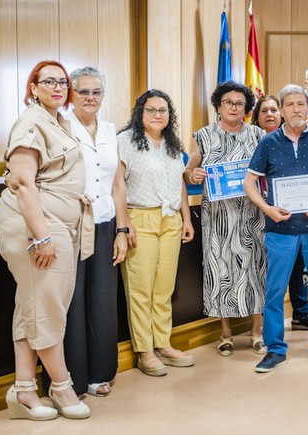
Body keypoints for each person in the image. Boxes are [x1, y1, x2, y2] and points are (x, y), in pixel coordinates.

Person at [0, 60, 91, 421]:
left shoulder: (58, 122)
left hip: (56, 222)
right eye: (48, 81)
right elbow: (22, 182)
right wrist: (42, 236)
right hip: (37, 224)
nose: (57, 87)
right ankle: (61, 387)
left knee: (33, 307)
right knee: (48, 308)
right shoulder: (31, 122)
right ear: (32, 86)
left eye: (63, 81)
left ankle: (23, 391)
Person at [242, 85, 308, 373]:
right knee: (274, 292)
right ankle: (275, 349)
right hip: (280, 230)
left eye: (302, 104)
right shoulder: (268, 143)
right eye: (290, 104)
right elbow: (249, 183)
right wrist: (269, 209)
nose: (297, 109)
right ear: (283, 109)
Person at [61, 67, 129, 399]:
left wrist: (122, 228)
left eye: (97, 92)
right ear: (72, 94)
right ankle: (71, 379)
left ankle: (100, 373)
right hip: (71, 226)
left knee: (102, 301)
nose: (91, 97)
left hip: (104, 225)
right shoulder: (60, 127)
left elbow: (117, 183)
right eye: (84, 91)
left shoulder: (109, 130)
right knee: (72, 303)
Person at [185, 81, 266, 358]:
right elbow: (189, 171)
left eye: (240, 103)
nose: (234, 107)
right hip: (218, 218)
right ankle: (226, 334)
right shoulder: (204, 136)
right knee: (220, 272)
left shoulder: (257, 134)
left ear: (246, 108)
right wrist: (193, 176)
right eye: (228, 102)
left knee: (255, 271)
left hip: (252, 216)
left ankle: (257, 332)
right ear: (218, 105)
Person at [117, 89, 195, 377]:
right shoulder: (124, 142)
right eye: (151, 110)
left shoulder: (172, 144)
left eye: (163, 110)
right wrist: (124, 225)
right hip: (141, 219)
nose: (157, 115)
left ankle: (163, 343)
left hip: (170, 220)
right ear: (140, 112)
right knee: (141, 290)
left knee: (164, 289)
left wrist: (186, 218)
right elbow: (118, 187)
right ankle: (144, 350)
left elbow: (180, 184)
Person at [253, 95, 308, 334]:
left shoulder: (295, 139)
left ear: (281, 114)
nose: (269, 114)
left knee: (298, 265)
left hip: (294, 214)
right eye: (263, 111)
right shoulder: (257, 142)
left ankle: (300, 313)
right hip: (259, 214)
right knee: (268, 272)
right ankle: (266, 327)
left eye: (272, 110)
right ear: (256, 117)